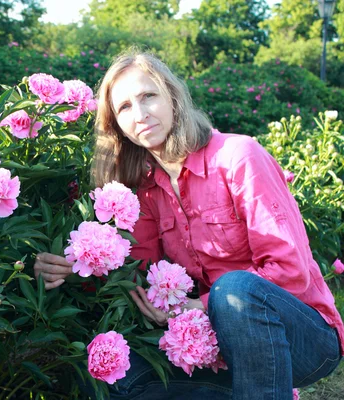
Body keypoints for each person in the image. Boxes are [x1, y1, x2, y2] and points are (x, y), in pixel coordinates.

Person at [34, 50, 344, 399]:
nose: (140, 114)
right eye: (124, 107)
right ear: (116, 125)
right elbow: (140, 271)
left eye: (148, 96)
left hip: (303, 340)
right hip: (214, 342)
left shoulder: (239, 157)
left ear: (173, 97)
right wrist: (78, 268)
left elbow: (289, 270)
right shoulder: (147, 191)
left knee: (234, 291)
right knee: (113, 378)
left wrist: (199, 305)